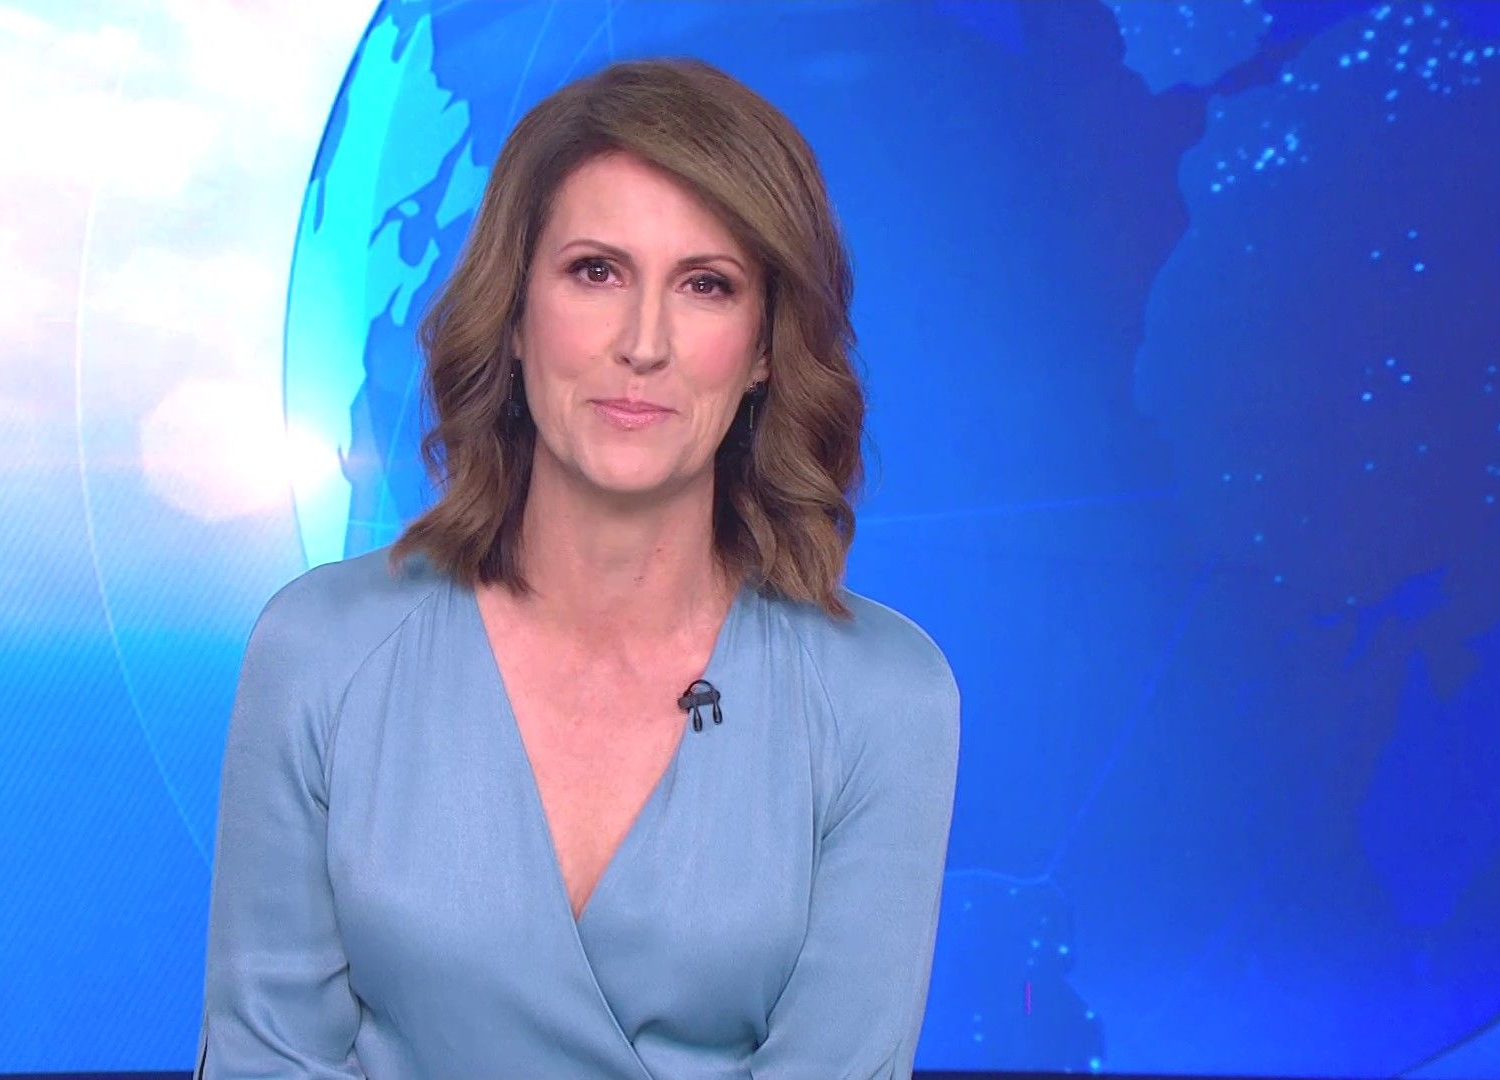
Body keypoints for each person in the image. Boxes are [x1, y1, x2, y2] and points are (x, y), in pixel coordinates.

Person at [195, 57, 960, 1079]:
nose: (643, 344)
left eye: (706, 285)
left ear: (765, 348)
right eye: (596, 272)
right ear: (515, 313)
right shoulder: (321, 650)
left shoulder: (884, 698)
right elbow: (267, 1057)